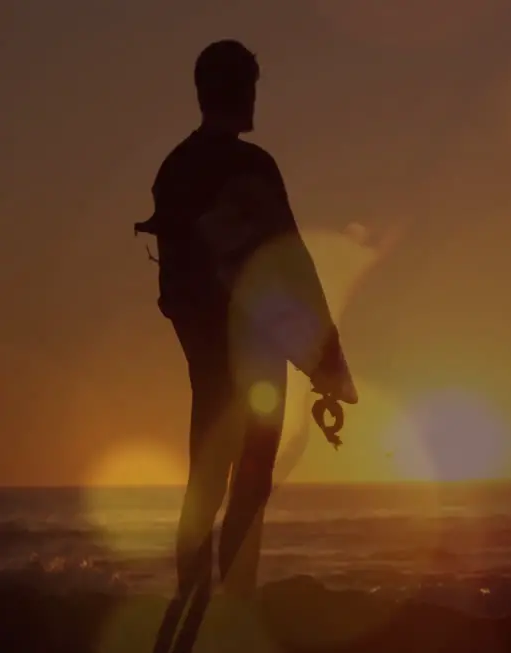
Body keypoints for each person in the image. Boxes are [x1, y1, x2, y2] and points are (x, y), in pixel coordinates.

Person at [139, 39, 334, 598]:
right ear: (237, 91)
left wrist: (191, 330)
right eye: (249, 88)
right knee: (251, 473)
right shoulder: (253, 165)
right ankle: (237, 597)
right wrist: (326, 358)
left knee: (206, 472)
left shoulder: (173, 168)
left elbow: (173, 280)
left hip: (204, 348)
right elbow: (290, 261)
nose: (253, 101)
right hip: (258, 347)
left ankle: (191, 594)